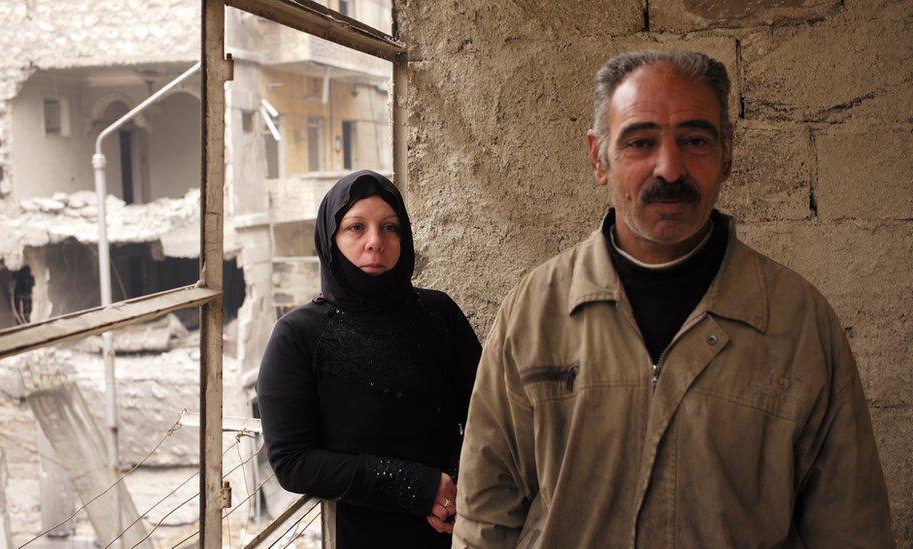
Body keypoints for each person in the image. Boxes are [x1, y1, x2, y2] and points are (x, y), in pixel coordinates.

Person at [453, 51, 894, 547]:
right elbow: (484, 513)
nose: (669, 167)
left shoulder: (799, 322)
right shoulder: (532, 312)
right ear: (599, 158)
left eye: (695, 140)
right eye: (640, 142)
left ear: (727, 153)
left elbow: (851, 526)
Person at [257, 170, 481, 548]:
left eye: (390, 228)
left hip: (459, 524)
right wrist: (416, 486)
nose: (375, 242)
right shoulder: (298, 335)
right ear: (331, 239)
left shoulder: (439, 314)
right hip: (362, 535)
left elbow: (486, 411)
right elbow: (292, 462)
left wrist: (453, 490)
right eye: (356, 228)